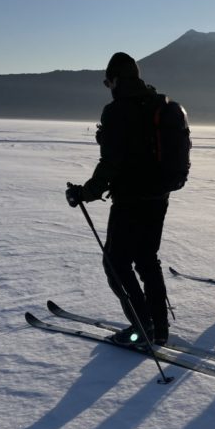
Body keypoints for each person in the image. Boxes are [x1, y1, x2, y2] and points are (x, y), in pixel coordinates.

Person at [65, 52, 171, 347]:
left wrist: (85, 193)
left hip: (130, 200)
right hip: (159, 196)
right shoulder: (157, 104)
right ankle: (159, 326)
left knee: (116, 263)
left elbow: (112, 162)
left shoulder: (117, 111)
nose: (107, 86)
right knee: (147, 260)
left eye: (106, 81)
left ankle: (142, 327)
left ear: (114, 80)